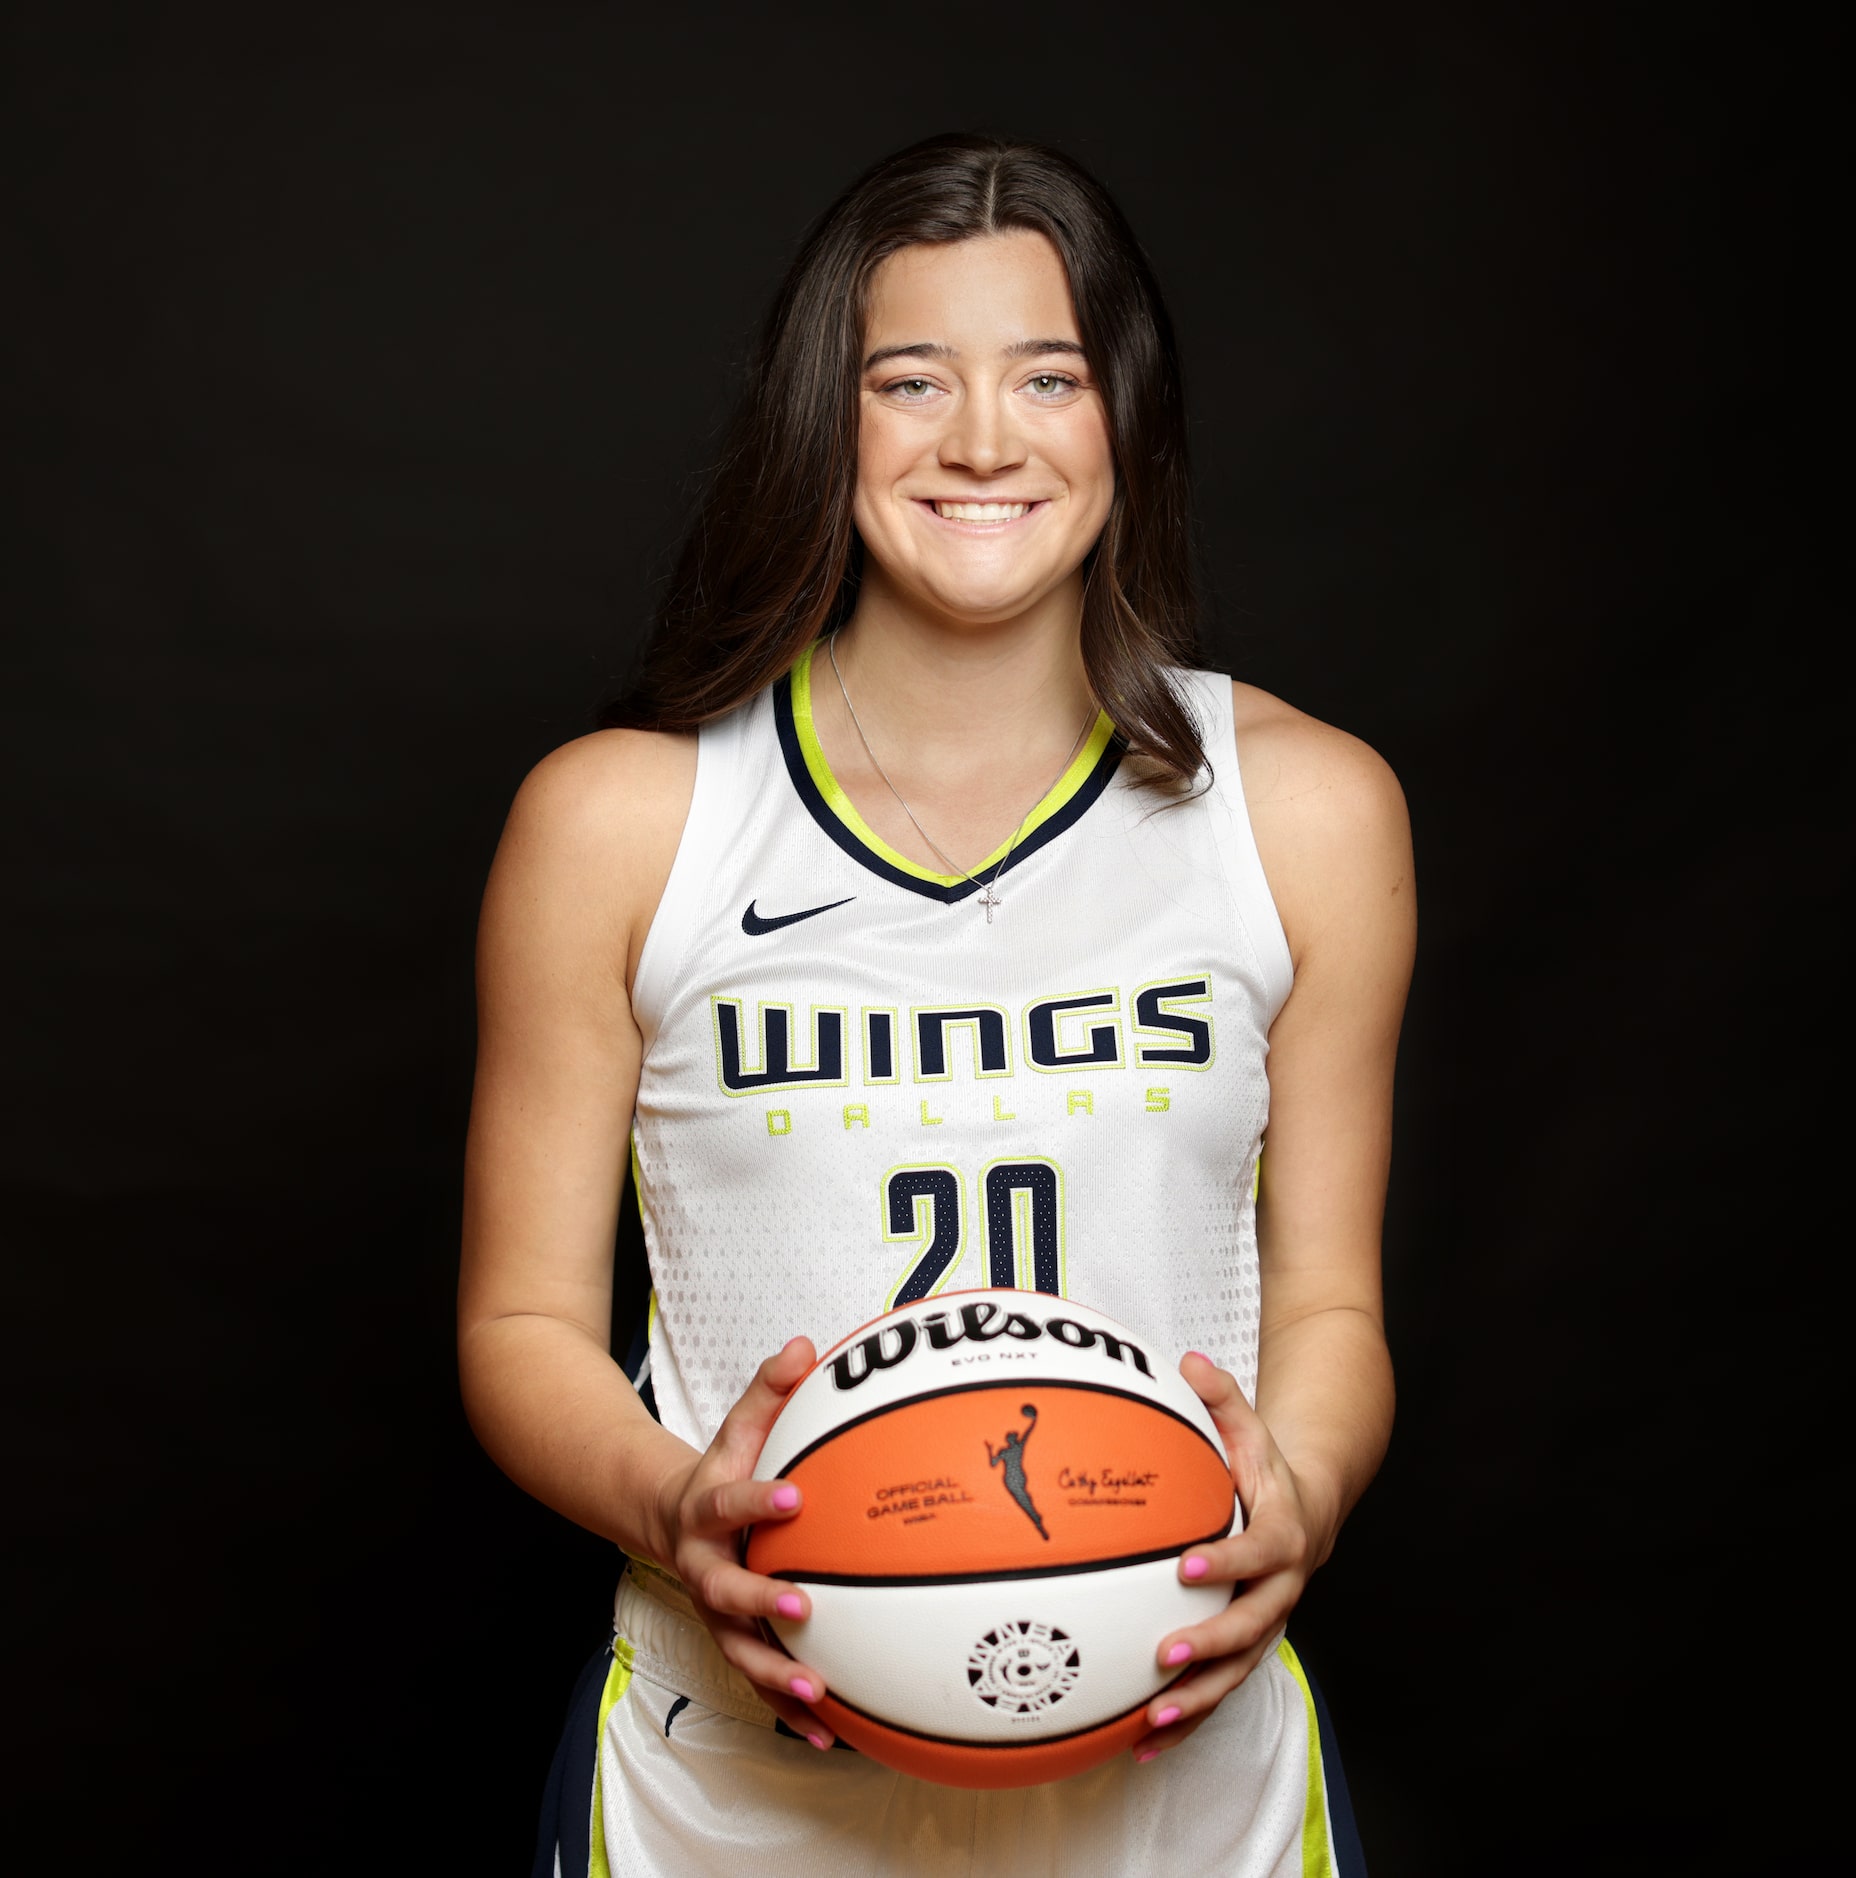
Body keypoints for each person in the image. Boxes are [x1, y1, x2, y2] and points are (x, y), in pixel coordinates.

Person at [459, 132, 1413, 1878]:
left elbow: (1331, 1298)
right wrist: (680, 1505)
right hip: (725, 1801)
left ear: (1123, 415)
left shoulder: (1305, 808)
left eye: (1047, 374)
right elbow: (517, 1326)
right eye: (913, 380)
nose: (985, 439)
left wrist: (1309, 1489)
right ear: (828, 421)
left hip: (1185, 1798)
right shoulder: (620, 822)